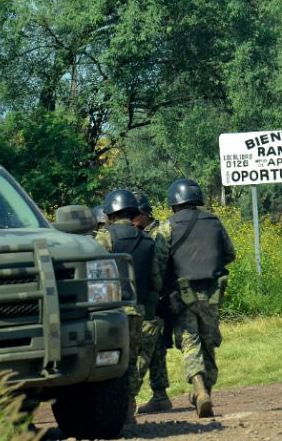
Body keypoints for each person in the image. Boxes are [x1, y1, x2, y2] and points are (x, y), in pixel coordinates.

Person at [156, 179, 236, 418]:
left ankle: (199, 390)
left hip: (182, 295)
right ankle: (207, 392)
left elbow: (159, 265)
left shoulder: (167, 227)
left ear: (174, 204)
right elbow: (229, 254)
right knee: (209, 341)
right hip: (212, 292)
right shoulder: (215, 222)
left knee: (190, 341)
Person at [94, 189, 162, 425]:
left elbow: (94, 273)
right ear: (133, 212)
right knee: (131, 361)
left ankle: (110, 410)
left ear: (110, 212)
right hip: (138, 311)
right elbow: (156, 281)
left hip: (110, 310)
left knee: (108, 361)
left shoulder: (104, 237)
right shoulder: (147, 239)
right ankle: (128, 409)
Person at [132, 193, 174, 414]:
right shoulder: (141, 234)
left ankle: (147, 395)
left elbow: (159, 267)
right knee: (154, 348)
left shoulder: (157, 234)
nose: (130, 219)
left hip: (158, 297)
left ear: (144, 214)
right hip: (150, 297)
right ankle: (160, 395)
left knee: (150, 347)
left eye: (134, 214)